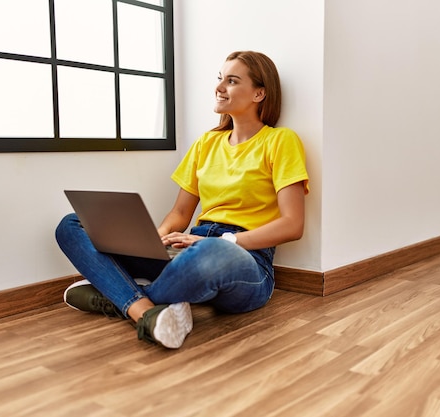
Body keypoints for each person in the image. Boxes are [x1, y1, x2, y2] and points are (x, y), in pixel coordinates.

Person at [55, 51, 309, 349]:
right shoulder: (206, 143)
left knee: (212, 251)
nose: (219, 87)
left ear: (259, 93)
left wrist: (223, 242)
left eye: (232, 80)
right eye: (220, 79)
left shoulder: (280, 141)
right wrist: (152, 243)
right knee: (72, 224)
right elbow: (179, 212)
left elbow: (293, 225)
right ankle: (145, 312)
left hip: (244, 258)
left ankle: (121, 297)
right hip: (187, 250)